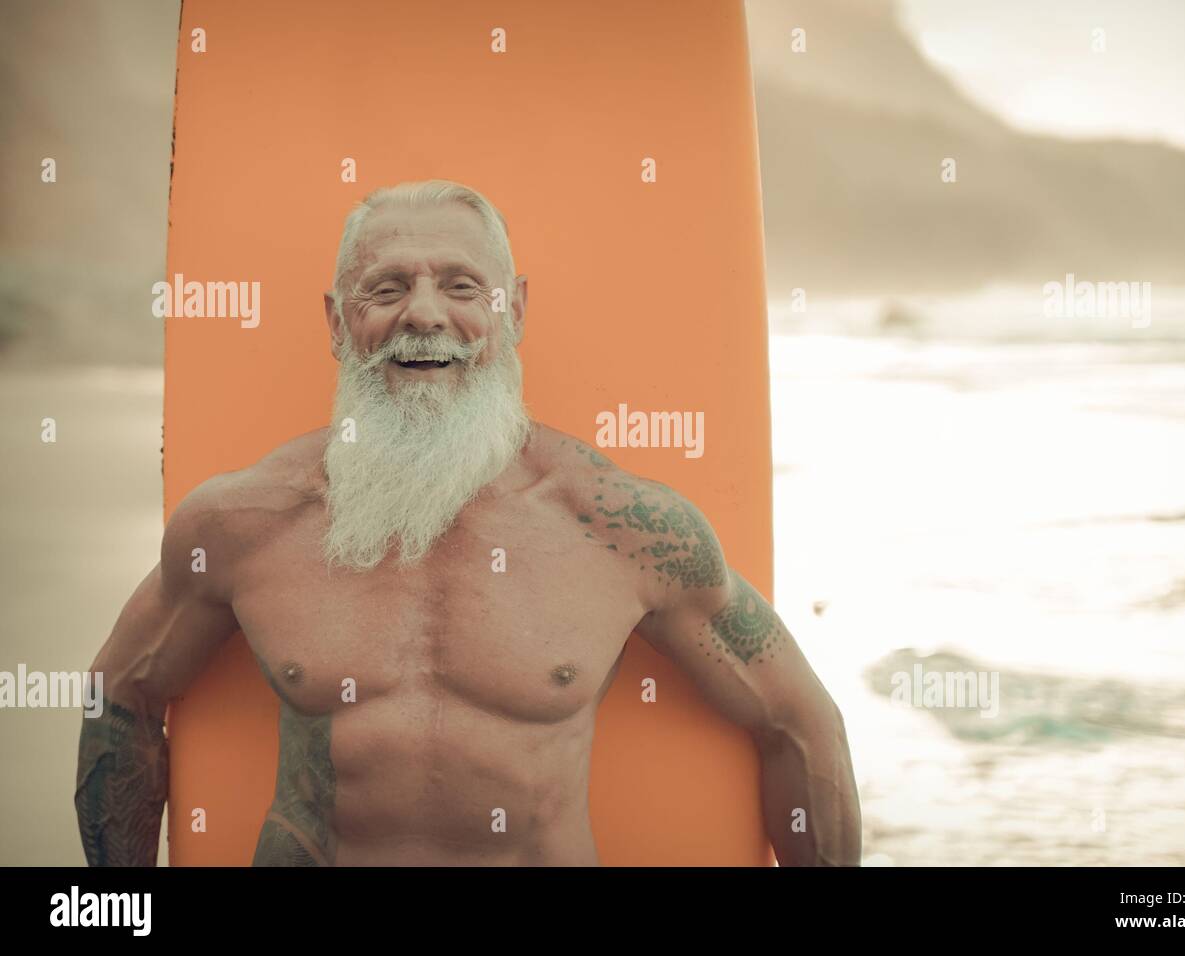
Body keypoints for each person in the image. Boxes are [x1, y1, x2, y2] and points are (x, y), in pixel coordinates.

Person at [75, 180, 860, 866]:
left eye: (461, 285)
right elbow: (120, 696)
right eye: (385, 290)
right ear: (337, 320)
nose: (424, 314)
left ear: (513, 308)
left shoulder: (624, 528)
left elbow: (797, 718)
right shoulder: (243, 521)